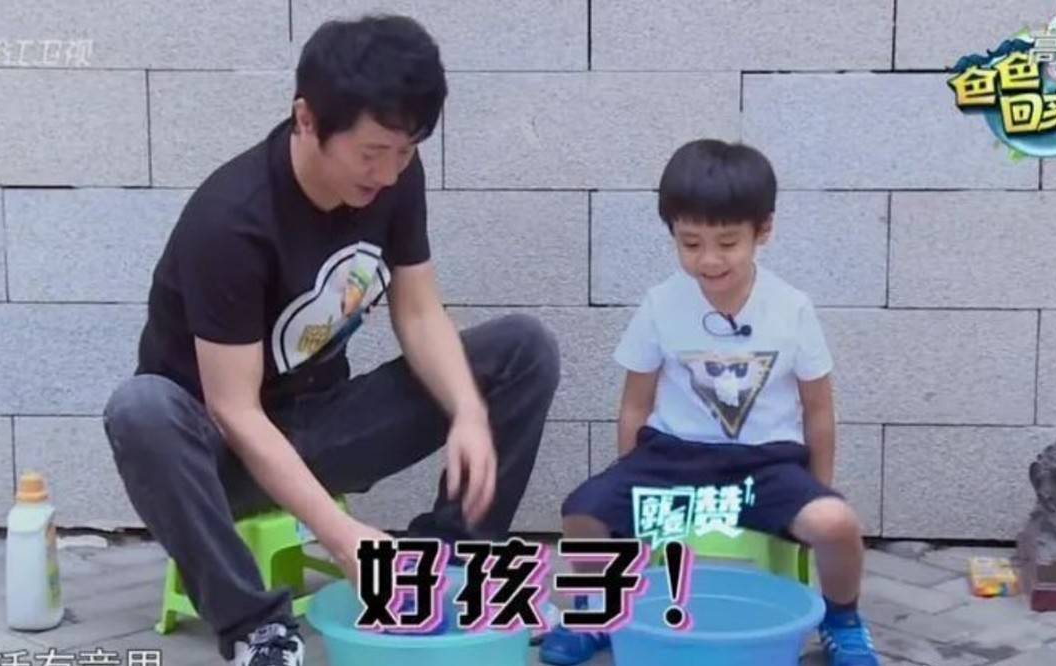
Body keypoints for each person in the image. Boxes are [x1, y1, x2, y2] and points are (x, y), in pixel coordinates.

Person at [101, 14, 560, 666]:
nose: (389, 173)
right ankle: (256, 627)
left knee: (522, 350)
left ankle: (438, 574)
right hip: (219, 455)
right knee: (139, 408)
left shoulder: (394, 176)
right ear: (307, 119)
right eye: (372, 153)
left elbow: (419, 313)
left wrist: (466, 411)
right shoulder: (231, 222)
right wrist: (343, 538)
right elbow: (234, 410)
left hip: (324, 424)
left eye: (406, 151)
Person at [538, 139, 880, 665]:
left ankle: (842, 620)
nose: (709, 259)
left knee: (837, 525)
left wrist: (819, 488)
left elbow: (818, 409)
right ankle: (600, 612)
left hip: (767, 466)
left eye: (727, 242)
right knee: (582, 512)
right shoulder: (660, 304)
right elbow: (635, 404)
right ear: (673, 234)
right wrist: (631, 476)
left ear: (763, 231)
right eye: (691, 243)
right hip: (671, 459)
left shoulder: (791, 308)